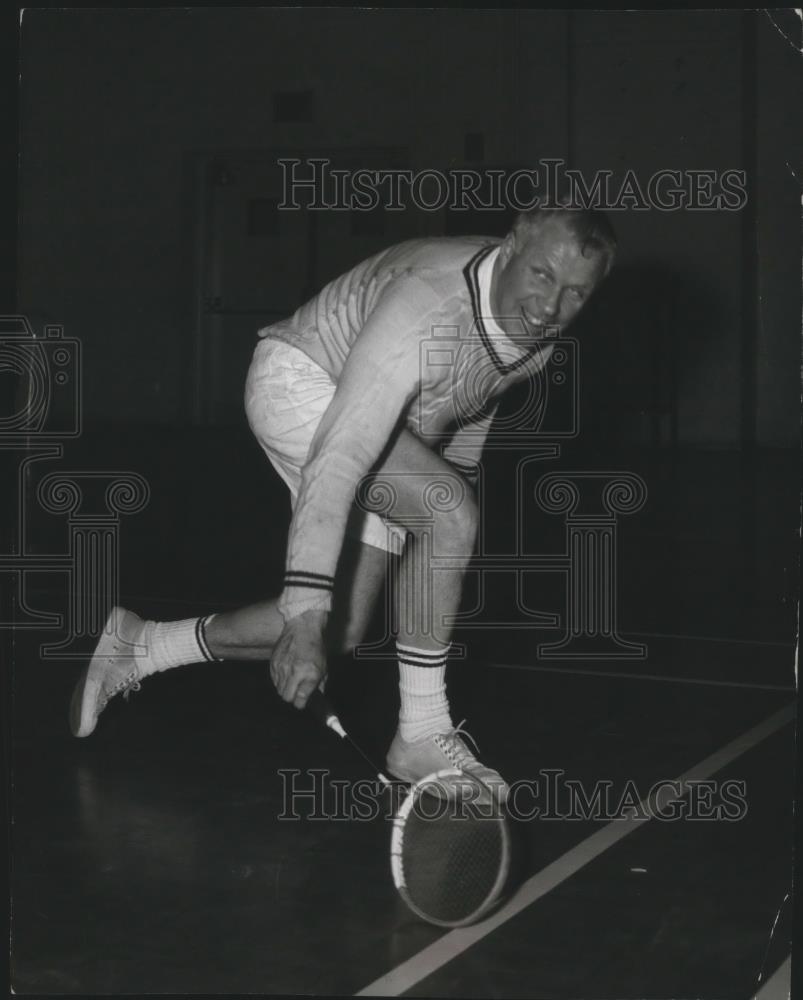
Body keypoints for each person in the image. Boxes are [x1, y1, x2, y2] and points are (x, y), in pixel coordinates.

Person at [69, 203, 616, 801]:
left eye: (575, 293)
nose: (548, 307)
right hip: (300, 381)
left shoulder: (535, 336)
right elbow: (341, 453)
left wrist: (435, 516)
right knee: (443, 516)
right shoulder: (429, 304)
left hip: (388, 426)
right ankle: (421, 735)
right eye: (542, 275)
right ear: (511, 248)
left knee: (348, 625)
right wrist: (306, 611)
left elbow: (474, 398)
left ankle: (142, 645)